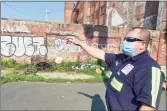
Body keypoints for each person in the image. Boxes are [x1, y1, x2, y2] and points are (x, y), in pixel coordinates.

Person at [66, 27, 163, 111]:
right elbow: (100, 54)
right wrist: (79, 43)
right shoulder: (123, 58)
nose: (124, 42)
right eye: (125, 39)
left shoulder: (149, 67)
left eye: (129, 40)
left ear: (142, 44)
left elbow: (148, 107)